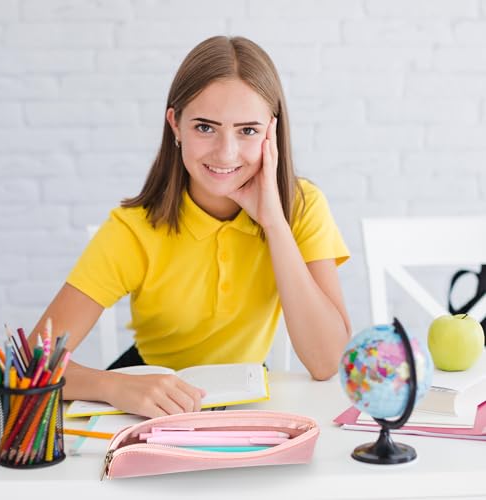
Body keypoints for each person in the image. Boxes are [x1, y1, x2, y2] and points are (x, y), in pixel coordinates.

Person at [28, 35, 351, 418]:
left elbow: (326, 362)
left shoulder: (302, 208)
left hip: (244, 398)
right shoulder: (133, 230)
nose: (226, 153)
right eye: (205, 127)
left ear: (272, 133)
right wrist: (114, 385)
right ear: (175, 125)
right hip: (145, 398)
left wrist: (274, 224)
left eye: (247, 130)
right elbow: (32, 362)